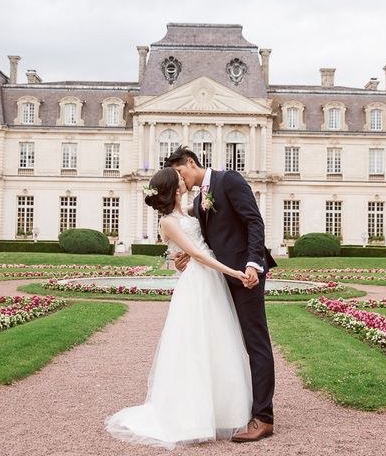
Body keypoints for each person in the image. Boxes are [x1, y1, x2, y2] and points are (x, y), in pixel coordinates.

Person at [105, 167, 253, 450]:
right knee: (193, 346)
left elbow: (203, 242)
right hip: (197, 283)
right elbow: (196, 254)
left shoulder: (190, 210)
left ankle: (222, 411)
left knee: (217, 342)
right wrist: (234, 272)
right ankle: (191, 416)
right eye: (178, 178)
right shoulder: (168, 222)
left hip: (209, 281)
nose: (184, 178)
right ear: (173, 188)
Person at [165, 146, 276, 442]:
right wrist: (186, 257)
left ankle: (264, 417)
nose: (179, 181)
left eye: (179, 172)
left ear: (191, 162)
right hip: (220, 277)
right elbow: (207, 241)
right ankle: (238, 408)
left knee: (256, 342)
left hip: (246, 275)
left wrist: (253, 263)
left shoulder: (229, 180)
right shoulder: (201, 198)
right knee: (226, 343)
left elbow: (254, 221)